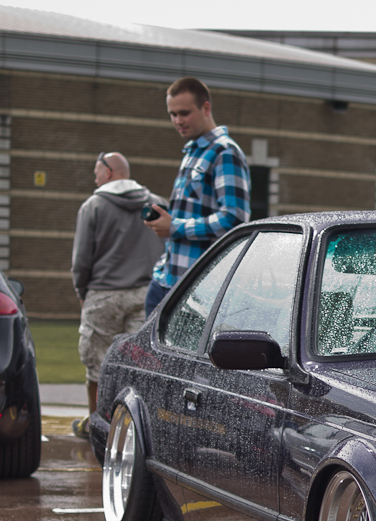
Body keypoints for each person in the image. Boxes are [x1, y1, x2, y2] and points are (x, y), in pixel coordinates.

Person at [70, 151, 165, 438]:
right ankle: (136, 432)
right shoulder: (157, 204)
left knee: (97, 364)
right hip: (145, 294)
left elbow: (82, 258)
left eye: (97, 172)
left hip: (104, 294)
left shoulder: (93, 205)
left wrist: (82, 290)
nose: (94, 178)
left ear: (109, 172)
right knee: (139, 366)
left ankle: (96, 427)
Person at [143, 76, 250, 316]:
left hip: (197, 290)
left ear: (206, 108)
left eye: (184, 113)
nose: (178, 121)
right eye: (172, 114)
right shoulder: (192, 152)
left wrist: (175, 227)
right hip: (165, 281)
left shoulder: (225, 152)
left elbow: (234, 219)